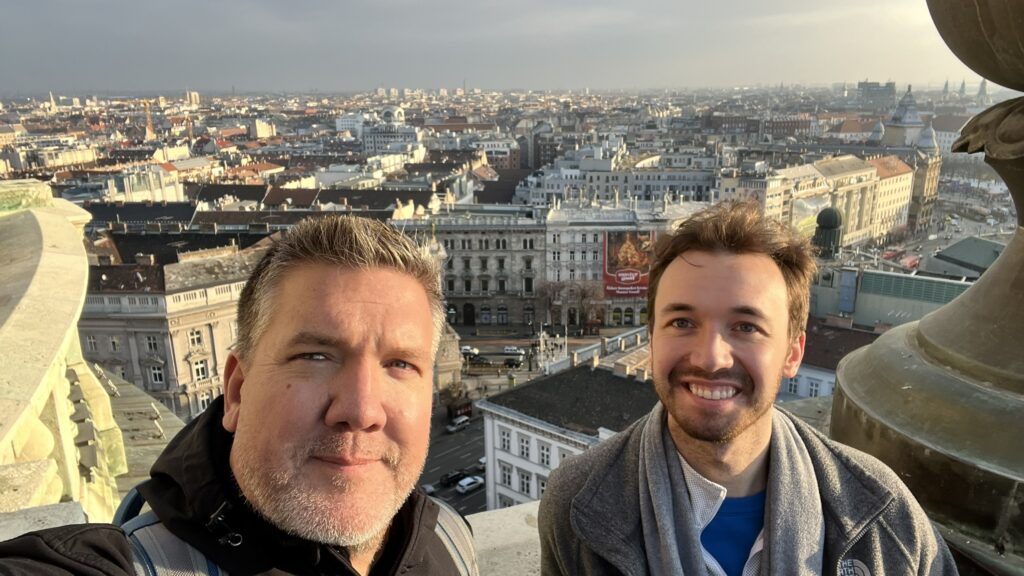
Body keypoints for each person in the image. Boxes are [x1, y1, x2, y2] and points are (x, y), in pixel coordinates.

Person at [0, 215, 477, 575]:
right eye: (314, 356)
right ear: (237, 390)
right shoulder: (131, 566)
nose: (360, 410)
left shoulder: (449, 540)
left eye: (400, 364)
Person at [539, 201, 957, 575]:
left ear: (793, 353)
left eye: (746, 327)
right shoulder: (577, 505)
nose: (710, 358)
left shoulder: (881, 514)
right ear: (651, 340)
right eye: (682, 322)